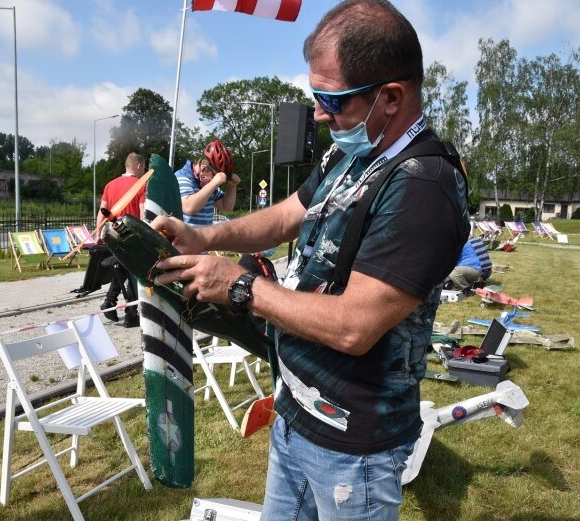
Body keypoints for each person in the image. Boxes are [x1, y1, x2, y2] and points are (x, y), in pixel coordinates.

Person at [149, 1, 469, 518]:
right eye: (315, 95)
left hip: (354, 449)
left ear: (391, 97)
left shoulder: (423, 187)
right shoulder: (351, 152)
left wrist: (240, 286)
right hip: (296, 413)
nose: (319, 113)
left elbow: (354, 326)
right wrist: (202, 238)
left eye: (331, 99)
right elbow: (288, 215)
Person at [97, 151, 146, 328]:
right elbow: (142, 212)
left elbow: (102, 210)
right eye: (144, 167)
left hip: (112, 234)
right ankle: (130, 313)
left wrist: (98, 234)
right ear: (139, 166)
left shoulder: (110, 185)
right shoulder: (140, 185)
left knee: (122, 268)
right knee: (133, 271)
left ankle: (109, 304)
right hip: (130, 235)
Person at [175, 139, 241, 225]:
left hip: (204, 237)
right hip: (183, 237)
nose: (215, 178)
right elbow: (188, 207)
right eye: (214, 174)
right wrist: (214, 183)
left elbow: (226, 206)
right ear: (204, 167)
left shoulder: (208, 185)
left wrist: (232, 187)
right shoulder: (183, 177)